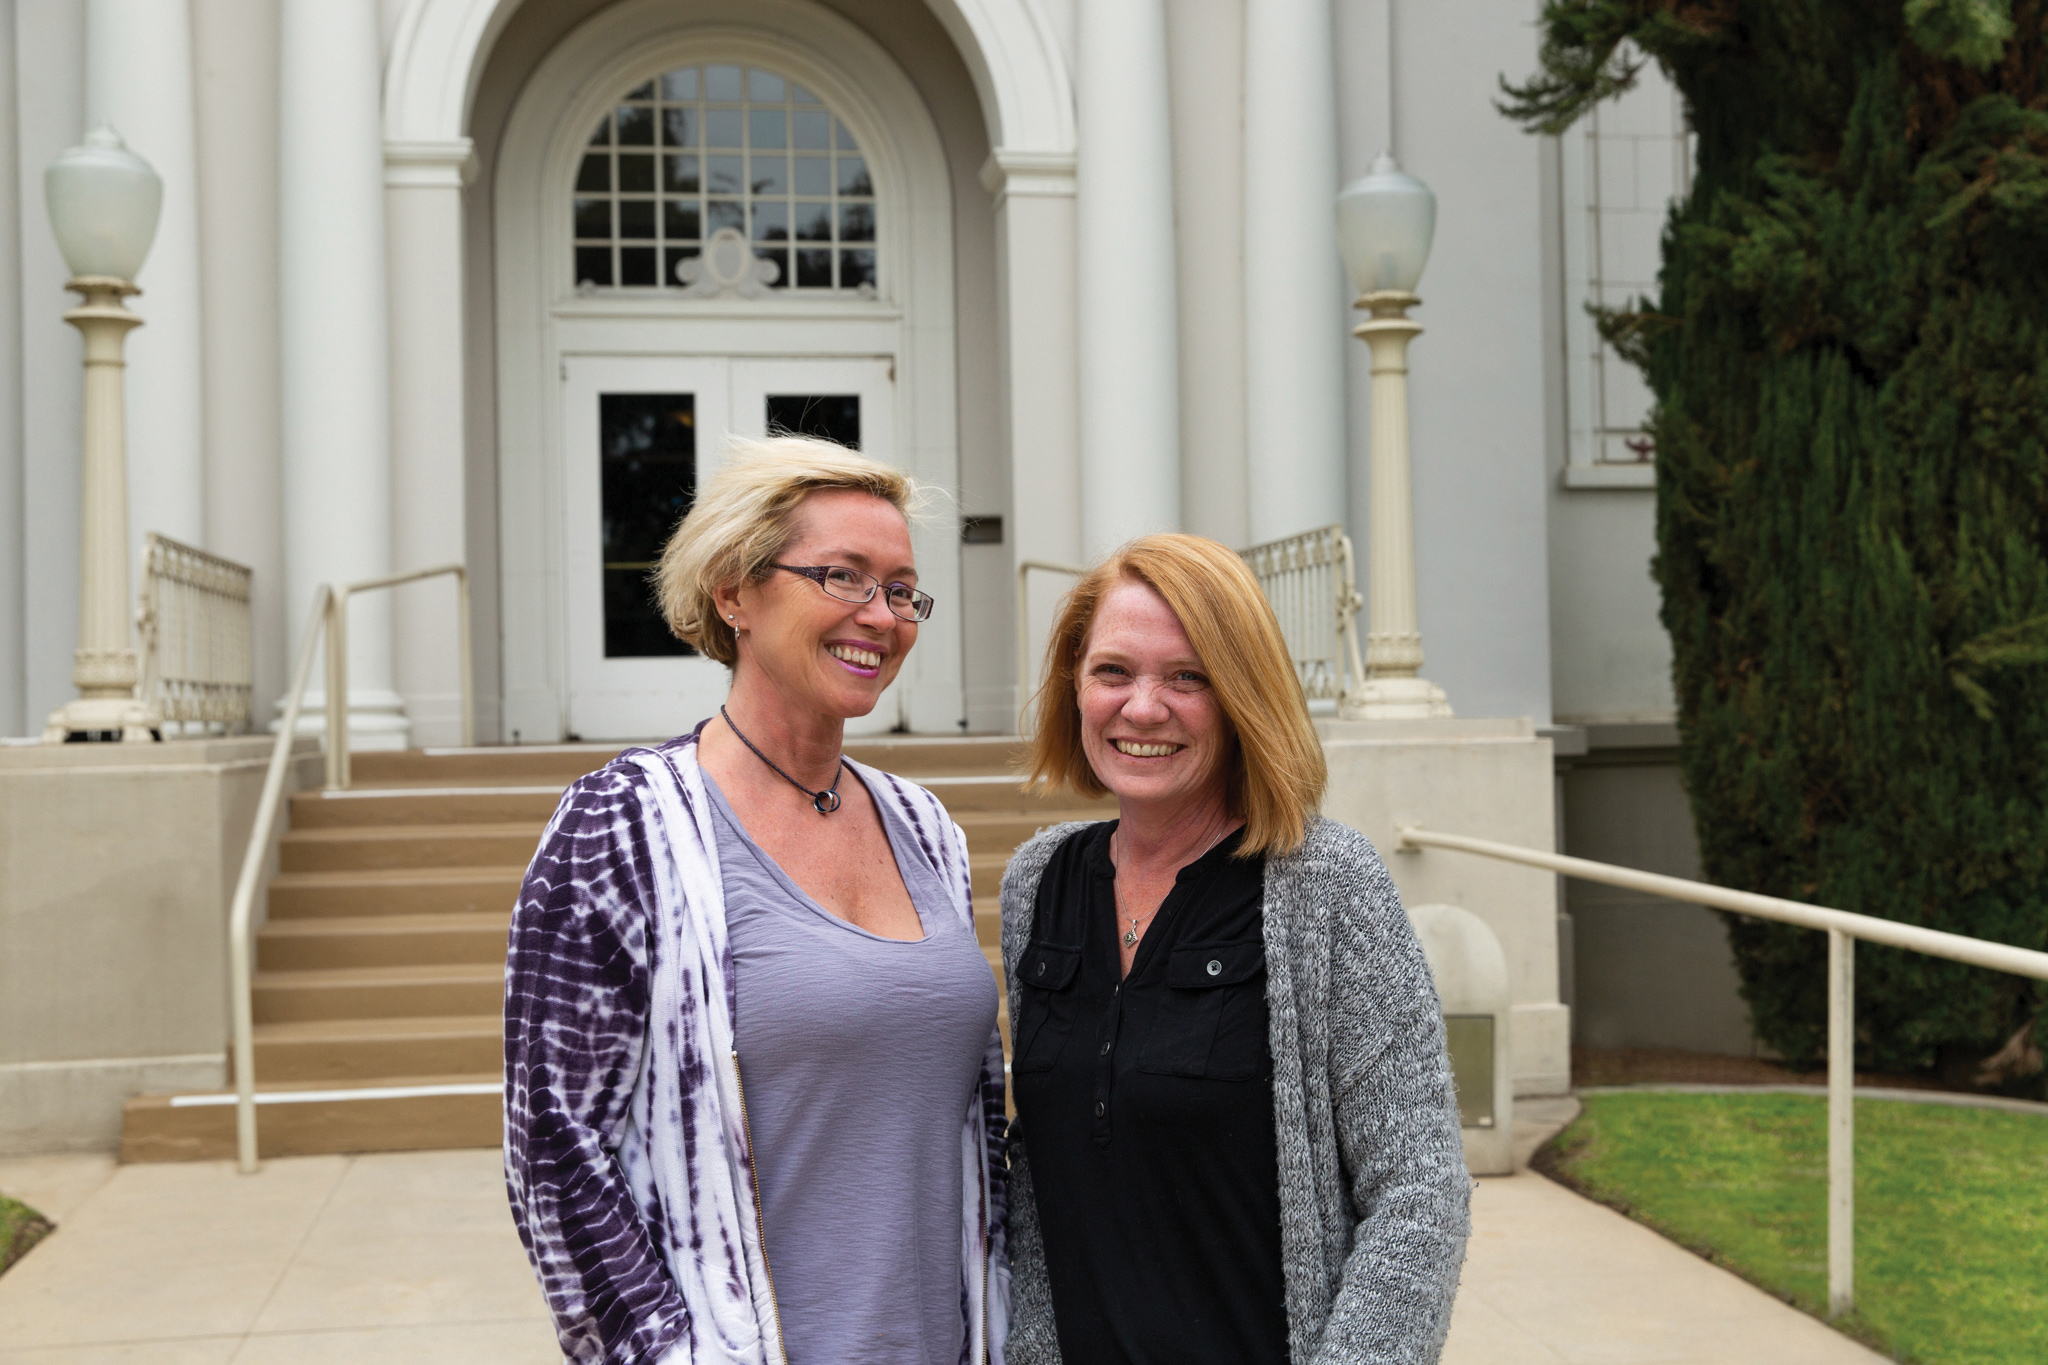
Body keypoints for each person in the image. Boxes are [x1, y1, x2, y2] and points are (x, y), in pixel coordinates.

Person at [505, 436, 1008, 1365]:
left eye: (901, 590)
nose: (881, 615)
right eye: (843, 576)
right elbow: (555, 1153)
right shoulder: (623, 825)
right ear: (733, 592)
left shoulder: (926, 826)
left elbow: (977, 1128)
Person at [1000, 533, 1469, 1364]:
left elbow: (1419, 1190)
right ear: (1075, 685)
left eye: (1189, 677)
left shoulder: (1325, 883)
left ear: (1244, 693)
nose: (1144, 707)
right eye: (1113, 671)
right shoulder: (1041, 881)